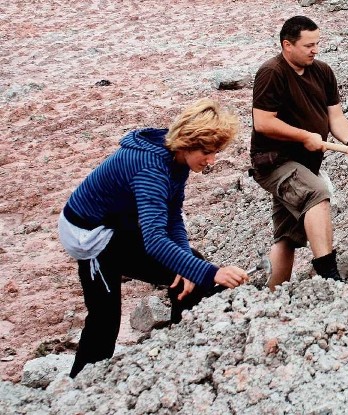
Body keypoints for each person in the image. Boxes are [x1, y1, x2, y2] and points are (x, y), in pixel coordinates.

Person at [58, 98, 249, 378]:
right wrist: (213, 273)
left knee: (188, 270)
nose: (211, 161)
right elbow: (155, 241)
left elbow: (173, 216)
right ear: (186, 142)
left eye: (216, 152)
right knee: (104, 320)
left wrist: (187, 265)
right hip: (90, 235)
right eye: (207, 152)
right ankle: (77, 388)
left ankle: (180, 350)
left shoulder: (176, 159)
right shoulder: (151, 169)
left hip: (121, 221)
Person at [249, 15, 348, 291]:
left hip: (305, 164)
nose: (315, 50)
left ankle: (271, 295)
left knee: (288, 236)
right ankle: (328, 275)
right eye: (308, 45)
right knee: (317, 194)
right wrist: (304, 136)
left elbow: (335, 118)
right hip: (274, 161)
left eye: (317, 43)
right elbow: (263, 122)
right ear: (287, 45)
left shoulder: (323, 72)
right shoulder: (272, 72)